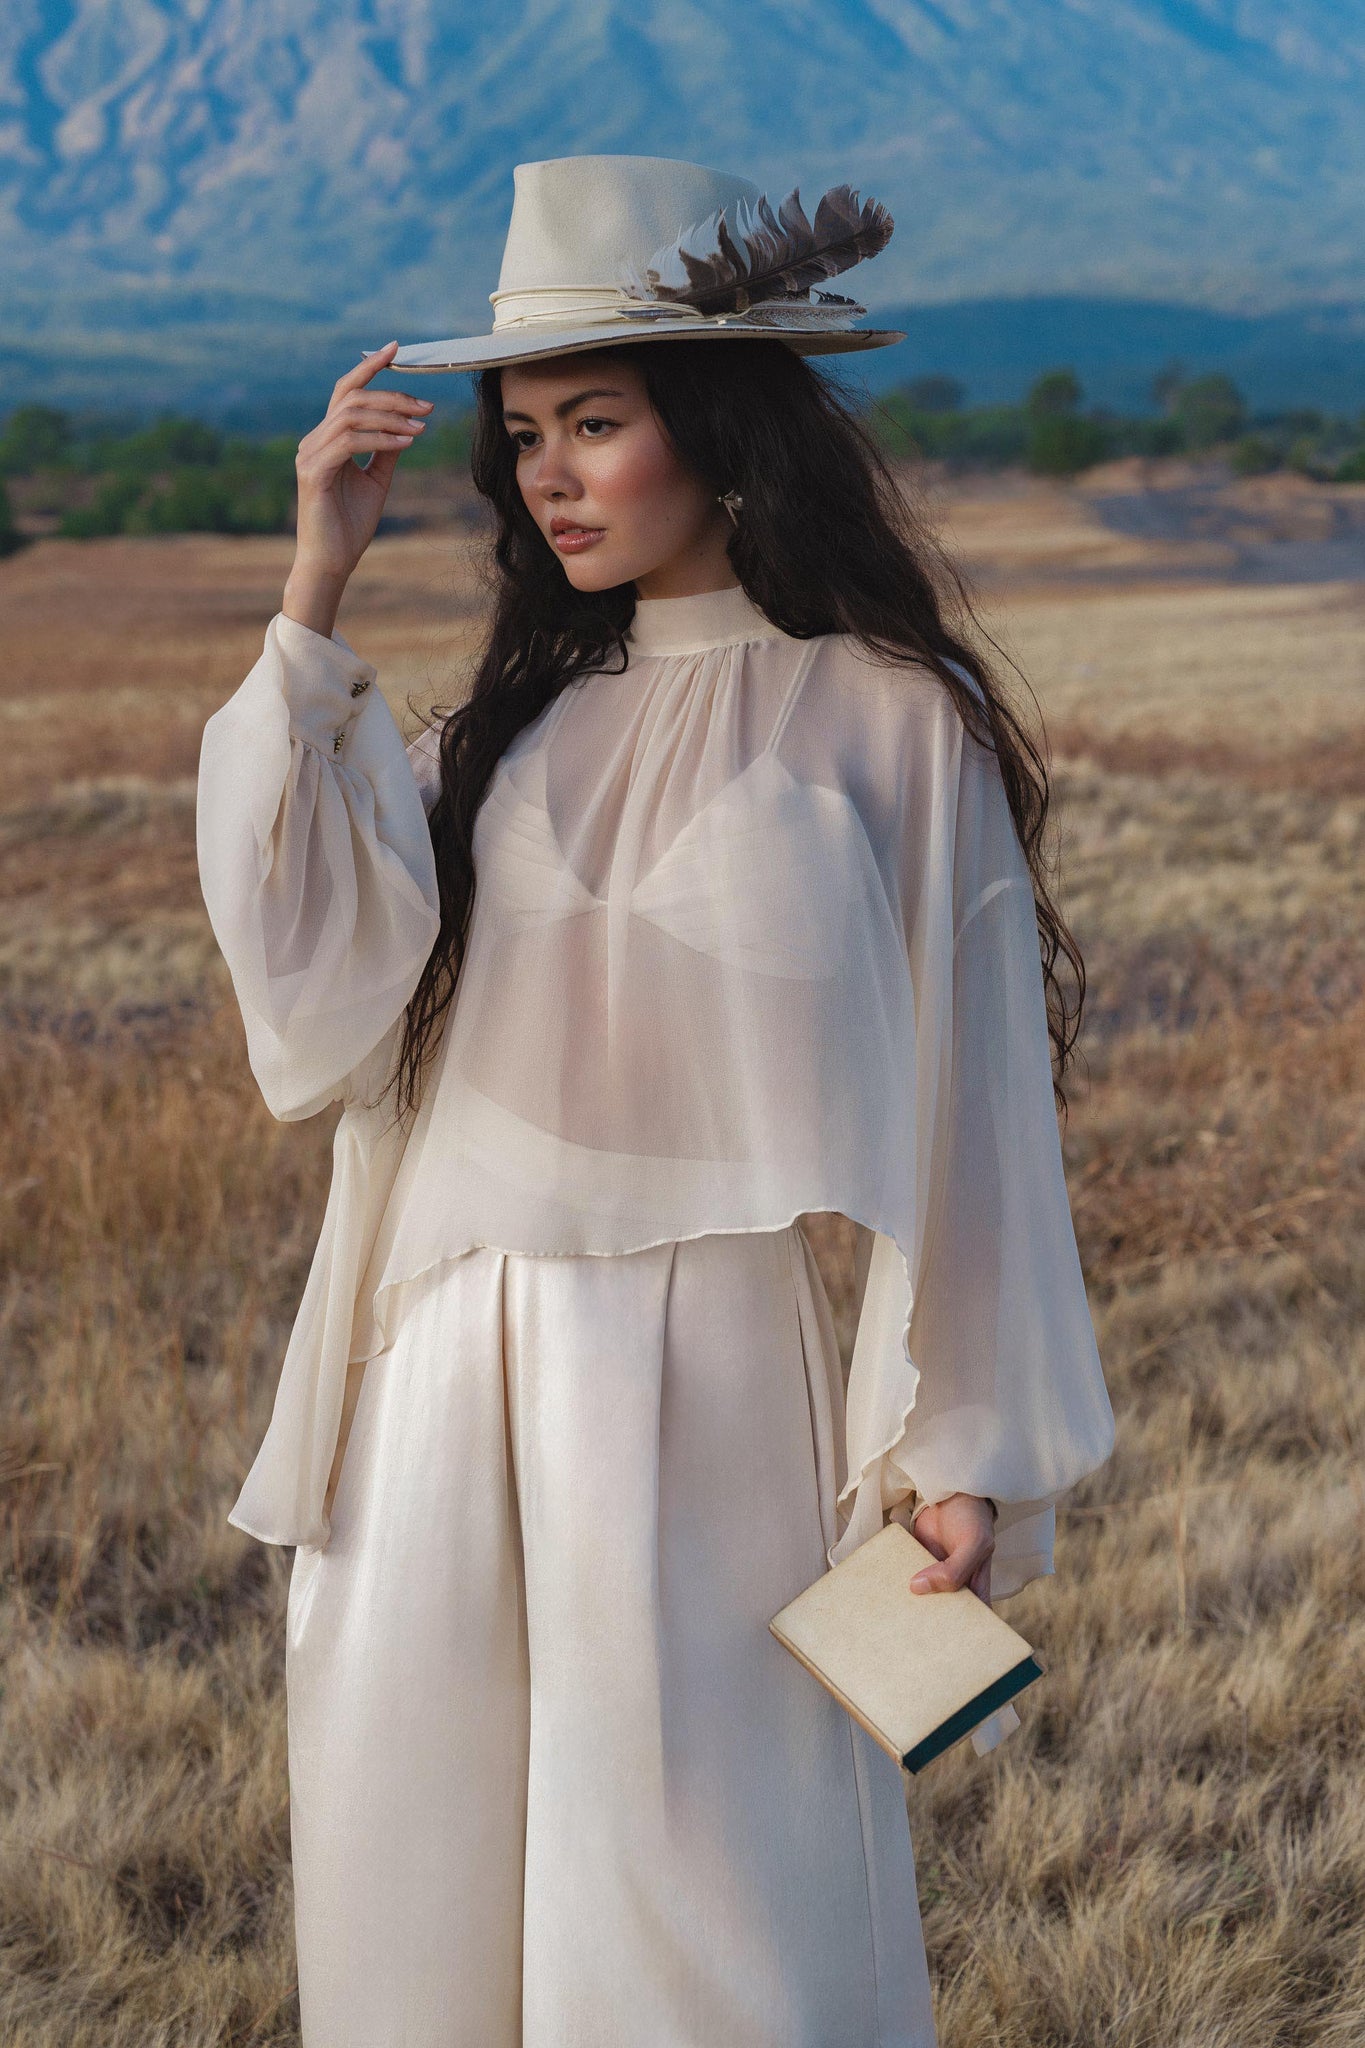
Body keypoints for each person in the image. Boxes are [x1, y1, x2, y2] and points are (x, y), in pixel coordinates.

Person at [197, 154, 1115, 2048]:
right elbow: (301, 978)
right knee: (418, 1898)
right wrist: (318, 574)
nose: (546, 474)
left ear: (718, 430)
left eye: (595, 423)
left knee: (717, 1924)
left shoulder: (886, 719)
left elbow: (977, 1110)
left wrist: (963, 1447)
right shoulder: (490, 737)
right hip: (439, 1376)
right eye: (523, 433)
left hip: (719, 1390)